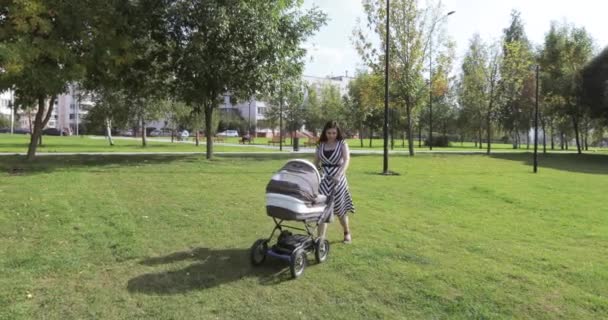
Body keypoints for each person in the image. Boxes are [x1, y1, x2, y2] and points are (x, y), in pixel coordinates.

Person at [314, 120, 355, 244]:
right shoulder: (320, 145)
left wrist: (338, 174)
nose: (331, 135)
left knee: (339, 210)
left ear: (337, 133)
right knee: (322, 210)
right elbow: (315, 162)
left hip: (338, 179)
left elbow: (347, 160)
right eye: (329, 133)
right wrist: (315, 172)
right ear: (325, 132)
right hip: (324, 180)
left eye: (333, 133)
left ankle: (346, 232)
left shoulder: (342, 144)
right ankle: (320, 240)